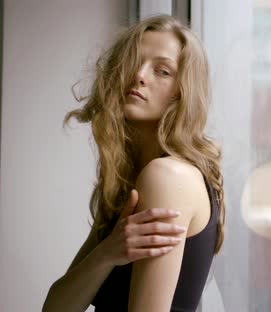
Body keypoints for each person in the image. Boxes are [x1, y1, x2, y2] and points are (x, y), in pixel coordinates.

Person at [42, 14, 225, 312]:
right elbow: (55, 307)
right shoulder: (128, 182)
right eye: (133, 61)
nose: (139, 75)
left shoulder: (166, 176)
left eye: (162, 71)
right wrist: (108, 253)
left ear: (183, 92)